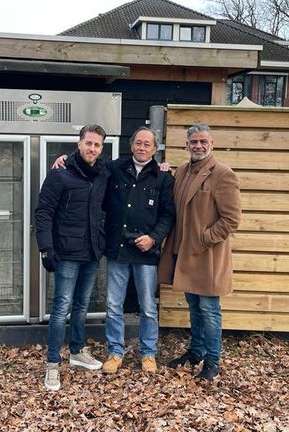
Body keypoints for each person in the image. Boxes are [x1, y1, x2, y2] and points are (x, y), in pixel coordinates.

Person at [53, 127, 175, 374]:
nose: (142, 147)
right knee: (113, 304)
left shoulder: (163, 178)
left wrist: (153, 238)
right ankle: (115, 351)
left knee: (148, 306)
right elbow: (87, 162)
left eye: (147, 144)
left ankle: (148, 353)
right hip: (118, 250)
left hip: (146, 253)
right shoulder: (114, 169)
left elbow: (168, 214)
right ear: (131, 145)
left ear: (155, 149)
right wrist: (65, 158)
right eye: (138, 143)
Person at [158, 123, 241, 381]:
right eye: (194, 141)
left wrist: (204, 239)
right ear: (187, 144)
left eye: (203, 141)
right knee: (194, 306)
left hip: (208, 257)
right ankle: (196, 352)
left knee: (209, 309)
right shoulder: (182, 171)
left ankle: (212, 360)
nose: (198, 146)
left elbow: (231, 219)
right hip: (184, 254)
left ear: (211, 143)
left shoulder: (223, 174)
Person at [35, 124, 110, 391]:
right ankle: (53, 363)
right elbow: (43, 212)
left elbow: (132, 168)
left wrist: (161, 166)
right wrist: (45, 247)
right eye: (88, 143)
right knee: (61, 307)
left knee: (82, 305)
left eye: (97, 145)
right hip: (66, 251)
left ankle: (77, 352)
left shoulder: (103, 173)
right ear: (79, 144)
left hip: (91, 251)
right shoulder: (60, 173)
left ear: (102, 148)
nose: (92, 148)